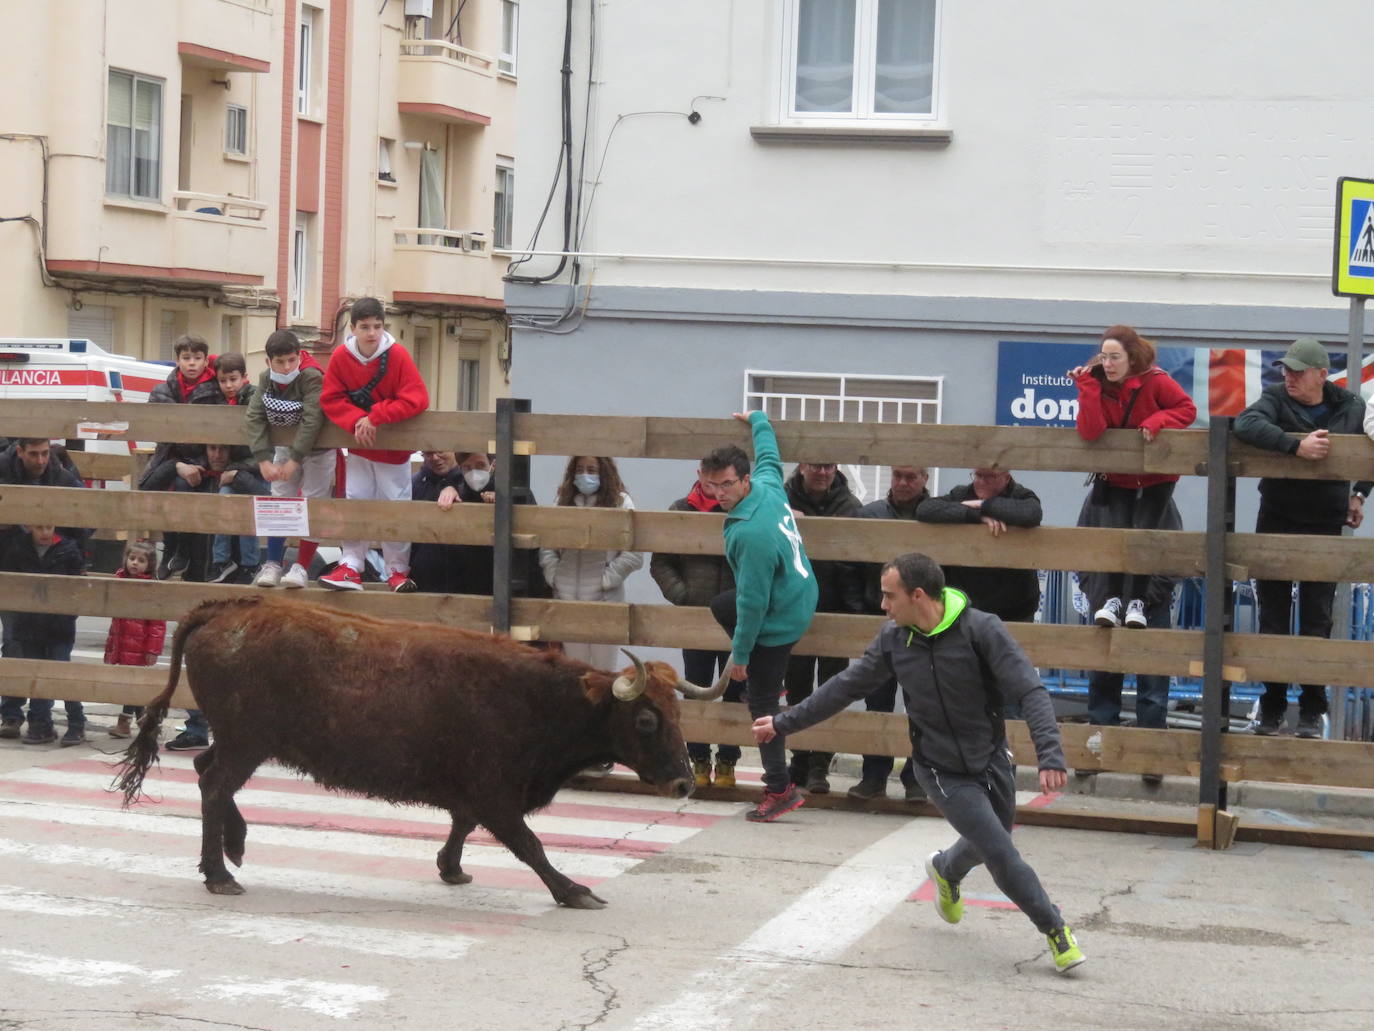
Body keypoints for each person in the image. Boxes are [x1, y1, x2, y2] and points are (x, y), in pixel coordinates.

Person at [752, 552, 1085, 975]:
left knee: (990, 839)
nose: (883, 606)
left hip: (990, 758)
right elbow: (843, 688)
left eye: (890, 596)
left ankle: (945, 869)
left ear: (918, 595)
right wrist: (783, 723)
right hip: (939, 767)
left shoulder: (982, 630)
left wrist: (1049, 753)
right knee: (1000, 850)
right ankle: (1056, 930)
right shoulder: (893, 640)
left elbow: (1031, 691)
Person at [1235, 337, 1372, 738]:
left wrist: (1360, 492)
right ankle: (1273, 704)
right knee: (1273, 617)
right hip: (1276, 515)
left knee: (1318, 618)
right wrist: (1296, 446)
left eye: (1297, 371)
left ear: (1321, 375)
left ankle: (1313, 709)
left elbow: (1370, 445)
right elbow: (1246, 423)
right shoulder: (1275, 397)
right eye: (1286, 369)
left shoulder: (1351, 405)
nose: (1288, 377)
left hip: (1326, 519)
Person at [701, 413, 818, 822]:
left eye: (726, 484)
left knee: (763, 709)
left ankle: (780, 789)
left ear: (743, 480)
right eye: (709, 484)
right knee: (721, 604)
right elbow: (769, 455)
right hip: (800, 591)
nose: (718, 493)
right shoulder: (768, 486)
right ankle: (769, 681)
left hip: (780, 615)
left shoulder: (750, 533)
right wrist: (758, 420)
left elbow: (753, 603)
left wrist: (741, 657)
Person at [1071, 325, 1196, 629]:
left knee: (1146, 534)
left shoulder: (1156, 382)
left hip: (1158, 475)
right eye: (1104, 357)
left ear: (1131, 358)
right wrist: (1087, 389)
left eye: (1115, 357)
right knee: (1119, 534)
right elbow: (1091, 431)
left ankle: (1137, 602)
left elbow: (1186, 409)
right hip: (1118, 475)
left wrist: (1157, 420)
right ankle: (1113, 600)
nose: (1109, 364)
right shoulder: (1098, 383)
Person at [319, 297, 430, 592]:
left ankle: (397, 569)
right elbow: (331, 399)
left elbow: (417, 399)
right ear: (353, 328)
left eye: (377, 326)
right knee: (356, 502)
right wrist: (357, 420)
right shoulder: (342, 357)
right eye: (365, 327)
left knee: (395, 507)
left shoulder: (398, 356)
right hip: (358, 446)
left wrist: (376, 417)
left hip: (392, 448)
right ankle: (351, 564)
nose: (371, 333)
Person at [1075, 490, 1182, 785]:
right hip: (1105, 604)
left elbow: (1173, 552)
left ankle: (1149, 757)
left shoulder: (1162, 500)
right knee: (1103, 680)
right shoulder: (1098, 498)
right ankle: (1101, 751)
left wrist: (1148, 599)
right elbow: (1082, 546)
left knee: (1153, 684)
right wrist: (1095, 591)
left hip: (1150, 606)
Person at [650, 463, 740, 789]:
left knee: (736, 691)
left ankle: (728, 760)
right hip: (695, 618)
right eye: (711, 477)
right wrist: (682, 596)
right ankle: (698, 758)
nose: (717, 486)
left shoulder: (744, 508)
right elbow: (661, 561)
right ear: (700, 473)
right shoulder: (681, 509)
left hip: (736, 618)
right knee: (696, 688)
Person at [845, 465, 930, 802]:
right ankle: (873, 777)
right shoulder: (869, 515)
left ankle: (917, 780)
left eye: (911, 477)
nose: (903, 483)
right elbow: (849, 566)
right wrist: (858, 609)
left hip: (922, 628)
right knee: (876, 703)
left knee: (921, 706)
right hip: (877, 621)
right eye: (897, 475)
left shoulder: (935, 517)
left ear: (925, 478)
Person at [781, 459, 862, 794]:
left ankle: (819, 766)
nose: (823, 472)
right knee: (797, 688)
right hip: (794, 608)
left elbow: (858, 555)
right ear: (802, 466)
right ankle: (799, 759)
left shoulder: (850, 505)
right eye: (817, 465)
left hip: (835, 610)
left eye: (829, 466)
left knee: (831, 690)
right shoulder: (780, 498)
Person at [244, 329, 331, 589]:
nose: (286, 367)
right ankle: (272, 563)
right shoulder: (265, 378)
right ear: (268, 362)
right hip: (284, 446)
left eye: (291, 360)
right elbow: (254, 415)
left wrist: (295, 459)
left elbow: (313, 419)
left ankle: (302, 566)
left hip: (319, 450)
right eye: (280, 362)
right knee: (279, 498)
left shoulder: (312, 376)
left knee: (314, 502)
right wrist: (262, 458)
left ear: (299, 356)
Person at [539, 456, 643, 668]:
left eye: (592, 469)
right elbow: (547, 546)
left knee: (603, 673)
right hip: (567, 600)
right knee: (574, 672)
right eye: (580, 469)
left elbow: (633, 554)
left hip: (604, 603)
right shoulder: (562, 501)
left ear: (603, 472)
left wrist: (605, 580)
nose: (585, 474)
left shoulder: (621, 502)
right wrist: (555, 577)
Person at [916, 467, 1044, 623]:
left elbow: (1031, 513)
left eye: (990, 477)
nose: (982, 482)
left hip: (1014, 607)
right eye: (978, 476)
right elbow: (925, 509)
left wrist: (983, 505)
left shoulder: (1021, 495)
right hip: (964, 605)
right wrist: (974, 515)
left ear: (1007, 478)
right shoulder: (960, 493)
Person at [0, 524, 88, 746]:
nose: (45, 533)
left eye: (48, 527)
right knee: (35, 673)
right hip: (28, 622)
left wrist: (69, 614)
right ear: (30, 527)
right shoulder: (19, 548)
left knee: (61, 671)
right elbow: (12, 583)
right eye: (39, 527)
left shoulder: (68, 550)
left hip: (59, 622)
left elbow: (77, 586)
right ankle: (40, 723)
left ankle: (76, 722)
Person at [144, 334, 218, 579]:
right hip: (168, 458)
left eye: (197, 358)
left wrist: (199, 464)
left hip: (204, 462)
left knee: (183, 490)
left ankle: (180, 553)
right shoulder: (162, 391)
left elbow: (220, 432)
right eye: (186, 358)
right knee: (150, 490)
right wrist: (178, 463)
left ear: (206, 361)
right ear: (177, 360)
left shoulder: (216, 391)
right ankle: (172, 550)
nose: (192, 363)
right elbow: (154, 428)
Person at [104, 540, 165, 739]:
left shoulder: (151, 588)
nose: (135, 563)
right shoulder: (119, 581)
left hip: (140, 645)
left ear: (150, 565)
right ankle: (147, 722)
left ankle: (126, 722)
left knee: (133, 684)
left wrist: (152, 650)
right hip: (122, 642)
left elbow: (157, 622)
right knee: (129, 684)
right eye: (132, 558)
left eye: (141, 560)